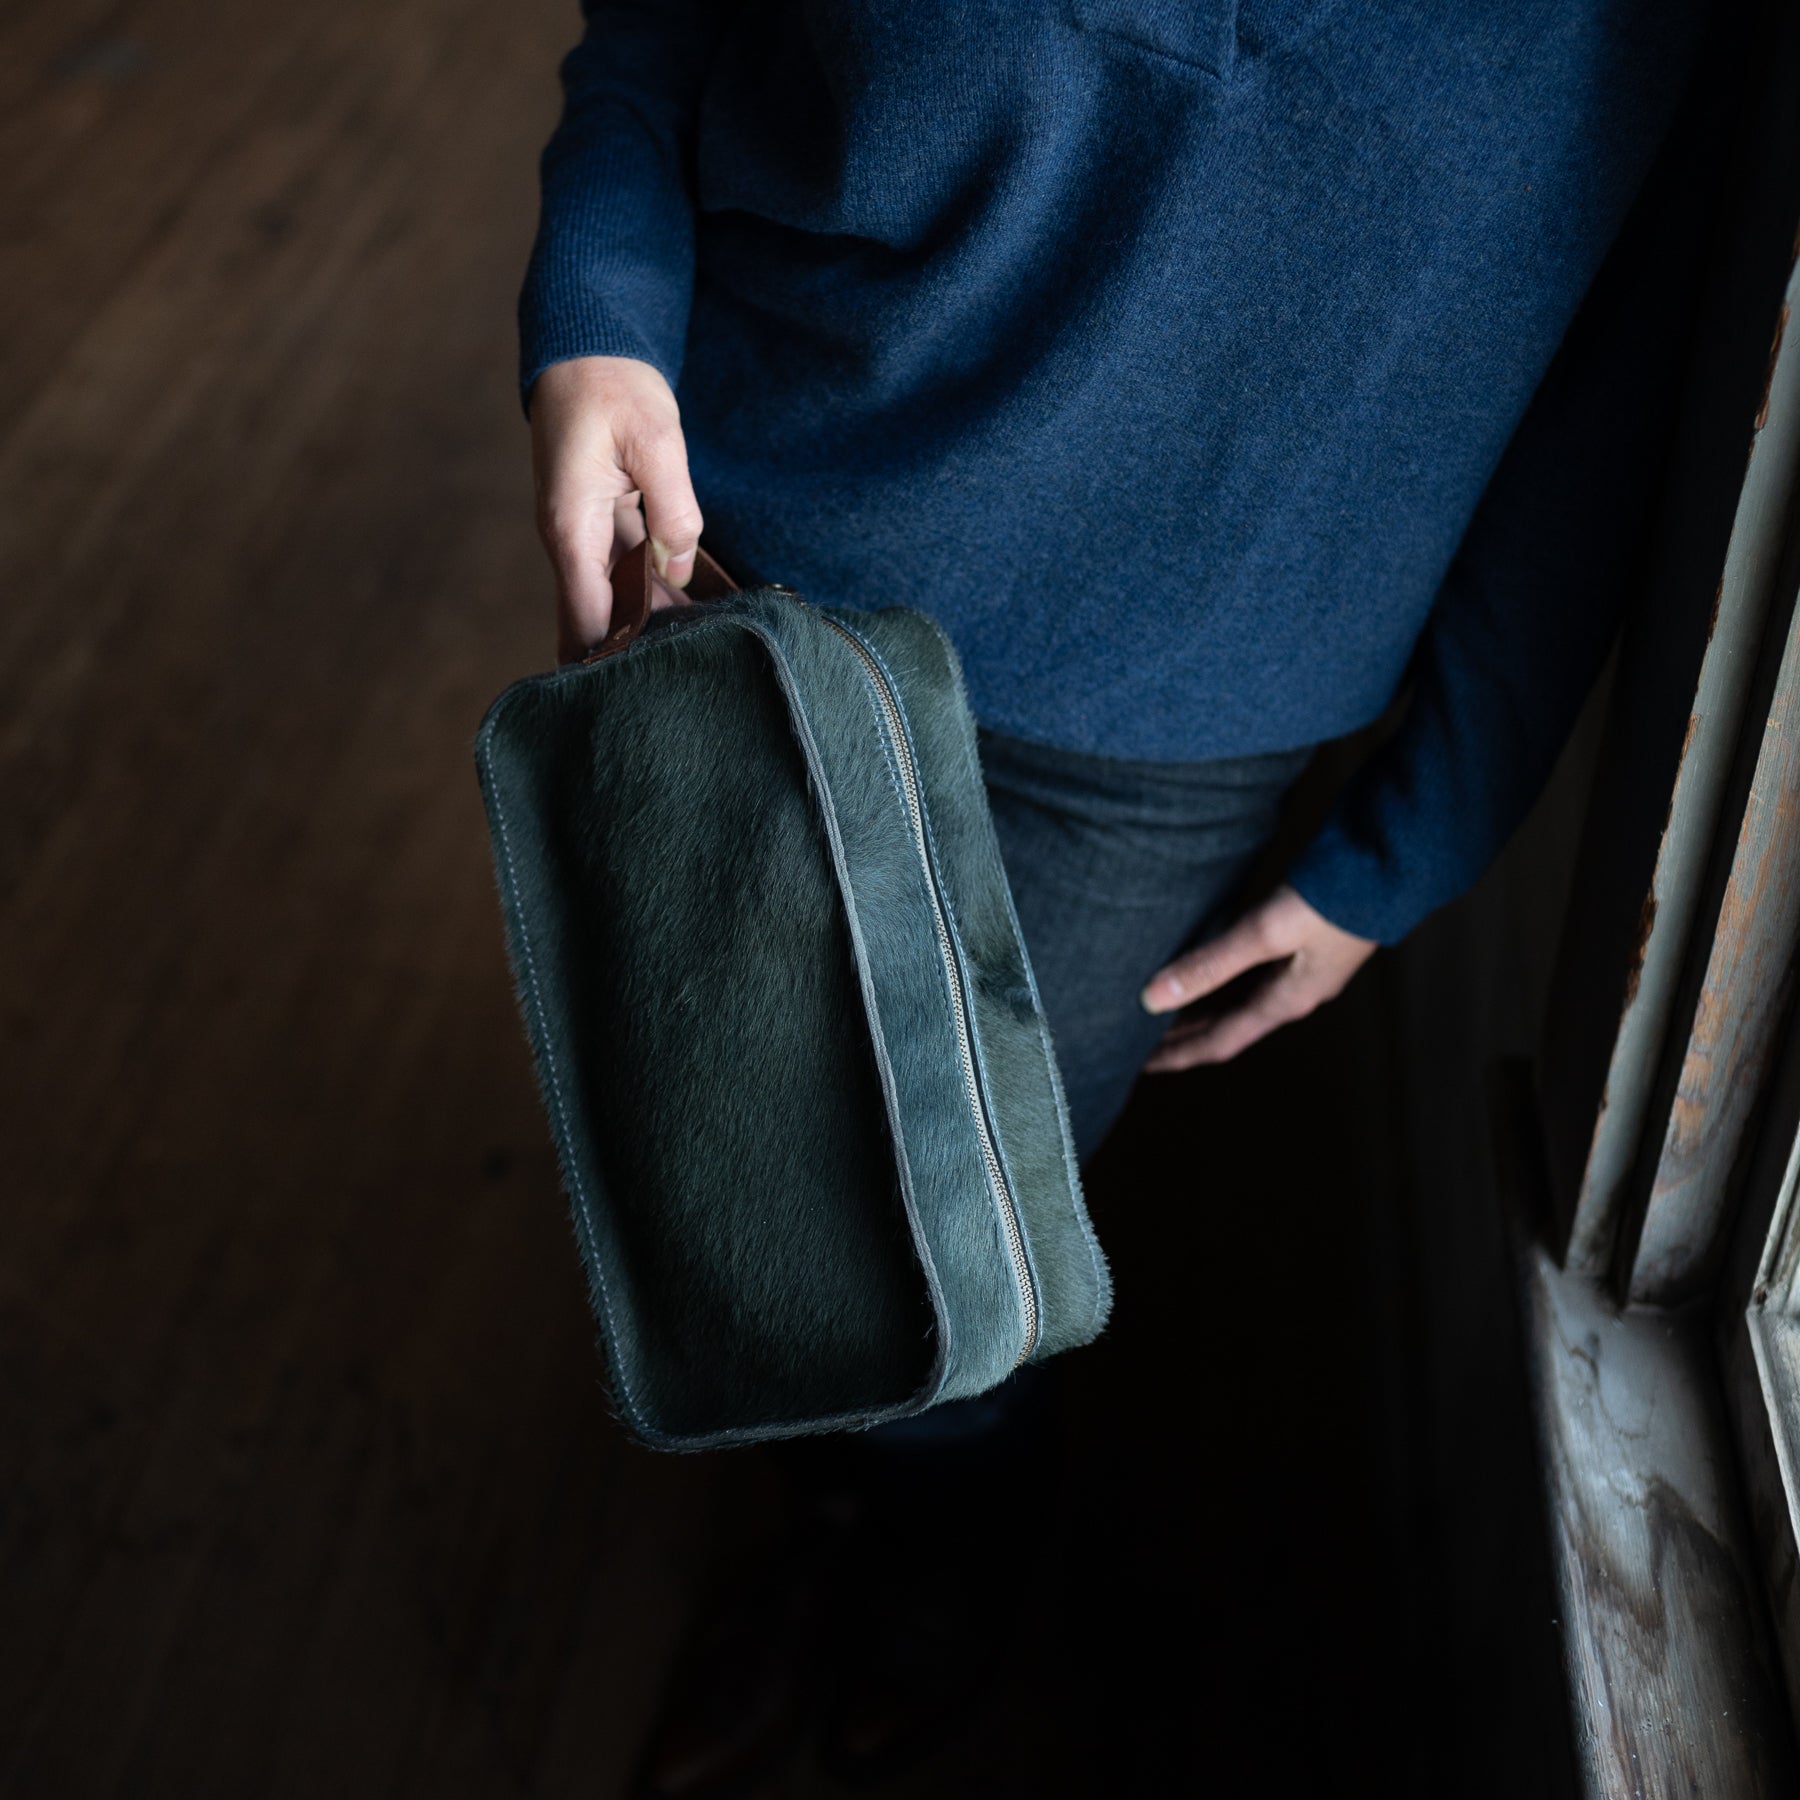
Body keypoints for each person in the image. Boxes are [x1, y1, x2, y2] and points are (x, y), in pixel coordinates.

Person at [517, 2, 1714, 1789]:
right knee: (726, 1175)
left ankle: (946, 1567)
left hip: (1166, 728)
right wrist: (601, 317)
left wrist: (1422, 828)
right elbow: (668, 27)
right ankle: (830, 1531)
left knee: (941, 1280)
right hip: (747, 547)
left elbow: (1631, 362)